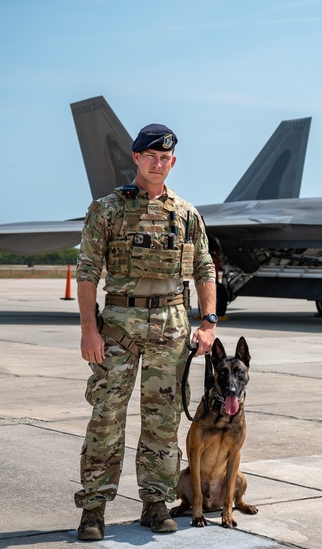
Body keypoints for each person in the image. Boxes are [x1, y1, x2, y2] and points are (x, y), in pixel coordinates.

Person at [74, 123, 218, 541]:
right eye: (150, 157)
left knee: (163, 421)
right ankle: (94, 509)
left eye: (165, 158)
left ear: (173, 162)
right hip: (118, 326)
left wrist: (208, 322)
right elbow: (87, 271)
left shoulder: (186, 213)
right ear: (136, 158)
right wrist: (89, 330)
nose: (158, 163)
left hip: (172, 327)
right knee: (106, 418)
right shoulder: (108, 209)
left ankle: (156, 503)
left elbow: (205, 267)